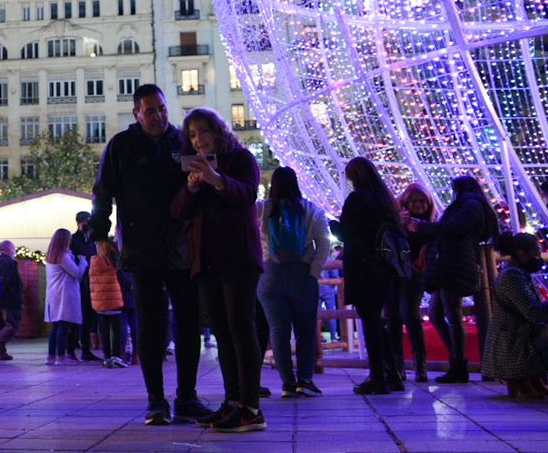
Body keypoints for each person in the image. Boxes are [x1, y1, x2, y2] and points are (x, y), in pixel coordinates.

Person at [89, 84, 212, 426]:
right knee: (150, 322)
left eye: (161, 108)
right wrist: (100, 235)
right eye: (150, 110)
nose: (158, 116)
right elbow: (102, 192)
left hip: (181, 244)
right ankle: (156, 399)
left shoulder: (180, 142)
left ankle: (186, 396)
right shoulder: (121, 146)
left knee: (188, 320)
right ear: (136, 114)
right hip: (140, 247)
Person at [172, 108, 265, 433]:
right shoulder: (194, 166)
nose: (198, 140)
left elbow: (249, 193)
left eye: (203, 132)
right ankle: (232, 401)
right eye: (192, 135)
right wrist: (193, 188)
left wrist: (217, 180)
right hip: (206, 260)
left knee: (241, 327)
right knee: (222, 332)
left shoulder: (240, 158)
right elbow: (178, 212)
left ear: (217, 130)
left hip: (238, 257)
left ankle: (251, 407)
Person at [408, 174, 497, 384]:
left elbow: (452, 229)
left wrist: (421, 226)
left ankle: (459, 363)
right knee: (437, 313)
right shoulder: (469, 205)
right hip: (447, 262)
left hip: (455, 262)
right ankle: (456, 358)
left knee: (451, 313)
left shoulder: (469, 206)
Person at [333, 156, 405, 395]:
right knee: (380, 322)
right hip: (386, 268)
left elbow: (346, 233)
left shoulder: (357, 199)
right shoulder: (385, 201)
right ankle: (393, 371)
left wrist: (332, 225)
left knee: (371, 322)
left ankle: (379, 375)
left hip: (363, 268)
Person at [258, 166, 330, 399]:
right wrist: (314, 271)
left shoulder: (262, 209)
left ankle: (287, 383)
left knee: (278, 332)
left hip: (270, 276)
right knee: (305, 331)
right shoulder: (311, 210)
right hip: (302, 274)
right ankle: (305, 381)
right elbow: (324, 243)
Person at [481, 231, 548, 400]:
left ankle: (533, 379)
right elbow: (532, 313)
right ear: (522, 253)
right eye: (536, 253)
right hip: (512, 342)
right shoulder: (513, 276)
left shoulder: (520, 274)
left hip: (517, 336)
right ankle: (521, 379)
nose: (539, 257)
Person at [396, 183, 435, 382]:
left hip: (417, 274)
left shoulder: (430, 224)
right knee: (395, 317)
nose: (418, 205)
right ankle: (397, 365)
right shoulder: (398, 221)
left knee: (410, 315)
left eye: (422, 202)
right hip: (398, 273)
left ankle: (420, 365)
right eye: (414, 201)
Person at [44, 227, 86, 365]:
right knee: (63, 324)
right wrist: (83, 263)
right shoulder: (64, 256)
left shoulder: (52, 255)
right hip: (65, 294)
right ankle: (61, 357)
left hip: (55, 293)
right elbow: (77, 273)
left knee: (56, 325)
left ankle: (51, 356)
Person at [89, 240, 129, 368]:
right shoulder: (113, 262)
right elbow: (121, 276)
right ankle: (117, 355)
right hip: (114, 299)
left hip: (100, 301)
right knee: (117, 329)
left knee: (104, 330)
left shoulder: (94, 261)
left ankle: (106, 357)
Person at [71, 211, 100, 361]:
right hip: (81, 283)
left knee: (89, 317)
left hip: (93, 281)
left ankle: (87, 350)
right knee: (81, 316)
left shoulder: (92, 240)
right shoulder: (74, 240)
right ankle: (77, 347)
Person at [0, 239, 22, 361]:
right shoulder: (9, 262)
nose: (14, 252)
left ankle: (0, 353)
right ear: (9, 249)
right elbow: (6, 281)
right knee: (12, 324)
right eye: (13, 249)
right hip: (8, 299)